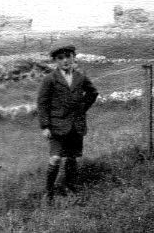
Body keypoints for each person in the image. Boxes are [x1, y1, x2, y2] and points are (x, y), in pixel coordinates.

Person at [37, 45, 98, 204]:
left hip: (76, 125)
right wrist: (45, 126)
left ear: (73, 57)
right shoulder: (50, 79)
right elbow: (42, 103)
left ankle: (70, 188)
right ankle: (49, 192)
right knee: (56, 158)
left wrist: (82, 108)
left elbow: (93, 92)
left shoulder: (80, 76)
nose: (65, 61)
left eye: (68, 57)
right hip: (57, 125)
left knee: (72, 158)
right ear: (55, 61)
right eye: (60, 58)